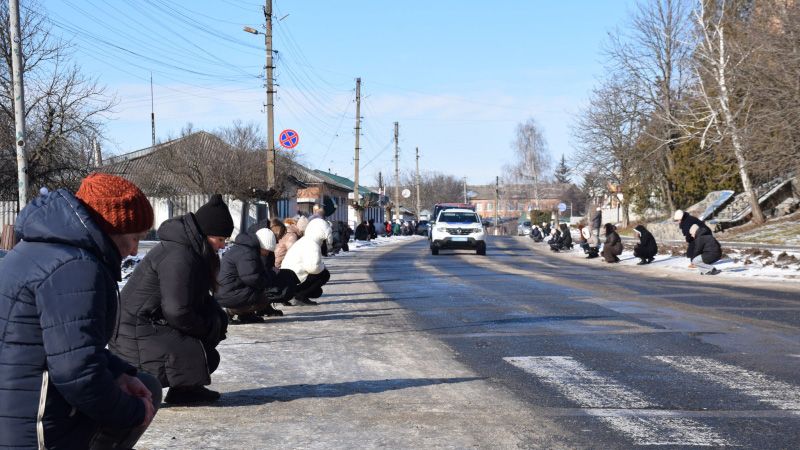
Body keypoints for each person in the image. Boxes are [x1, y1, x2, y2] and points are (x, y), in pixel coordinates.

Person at [0, 173, 159, 449]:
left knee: (140, 382)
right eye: (134, 238)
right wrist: (133, 412)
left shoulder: (35, 249)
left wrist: (119, 373)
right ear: (110, 228)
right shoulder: (75, 267)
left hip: (13, 410)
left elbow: (69, 347)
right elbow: (77, 372)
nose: (134, 250)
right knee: (144, 397)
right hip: (32, 431)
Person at [110, 194, 232, 405]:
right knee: (205, 355)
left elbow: (193, 300)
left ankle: (186, 388)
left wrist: (217, 320)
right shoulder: (180, 255)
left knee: (208, 339)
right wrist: (206, 328)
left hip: (142, 327)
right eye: (219, 239)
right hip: (134, 333)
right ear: (205, 234)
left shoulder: (187, 250)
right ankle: (183, 388)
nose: (221, 246)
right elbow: (178, 310)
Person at [216, 228, 293, 322]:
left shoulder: (245, 248)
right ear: (262, 246)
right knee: (265, 295)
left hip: (227, 291)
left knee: (263, 293)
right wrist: (271, 276)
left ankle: (246, 315)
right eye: (267, 250)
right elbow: (253, 279)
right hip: (227, 294)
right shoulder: (247, 252)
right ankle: (229, 311)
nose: (267, 253)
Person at [282, 218, 332, 306]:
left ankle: (291, 295)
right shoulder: (312, 245)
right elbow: (313, 268)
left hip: (287, 279)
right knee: (324, 274)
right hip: (295, 279)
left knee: (317, 292)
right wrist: (323, 267)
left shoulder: (305, 240)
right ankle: (299, 296)